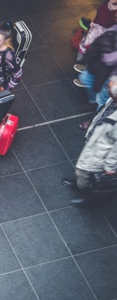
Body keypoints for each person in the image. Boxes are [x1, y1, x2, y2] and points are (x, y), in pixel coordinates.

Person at [62, 76, 117, 206]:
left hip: (101, 152)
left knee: (86, 172)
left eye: (108, 88)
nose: (106, 88)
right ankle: (80, 185)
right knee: (84, 170)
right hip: (95, 141)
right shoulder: (112, 101)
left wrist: (110, 166)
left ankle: (87, 197)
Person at [75, 22, 117, 129]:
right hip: (100, 64)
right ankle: (93, 103)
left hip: (112, 73)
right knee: (85, 78)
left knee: (102, 99)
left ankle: (94, 120)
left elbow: (109, 59)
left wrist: (104, 51)